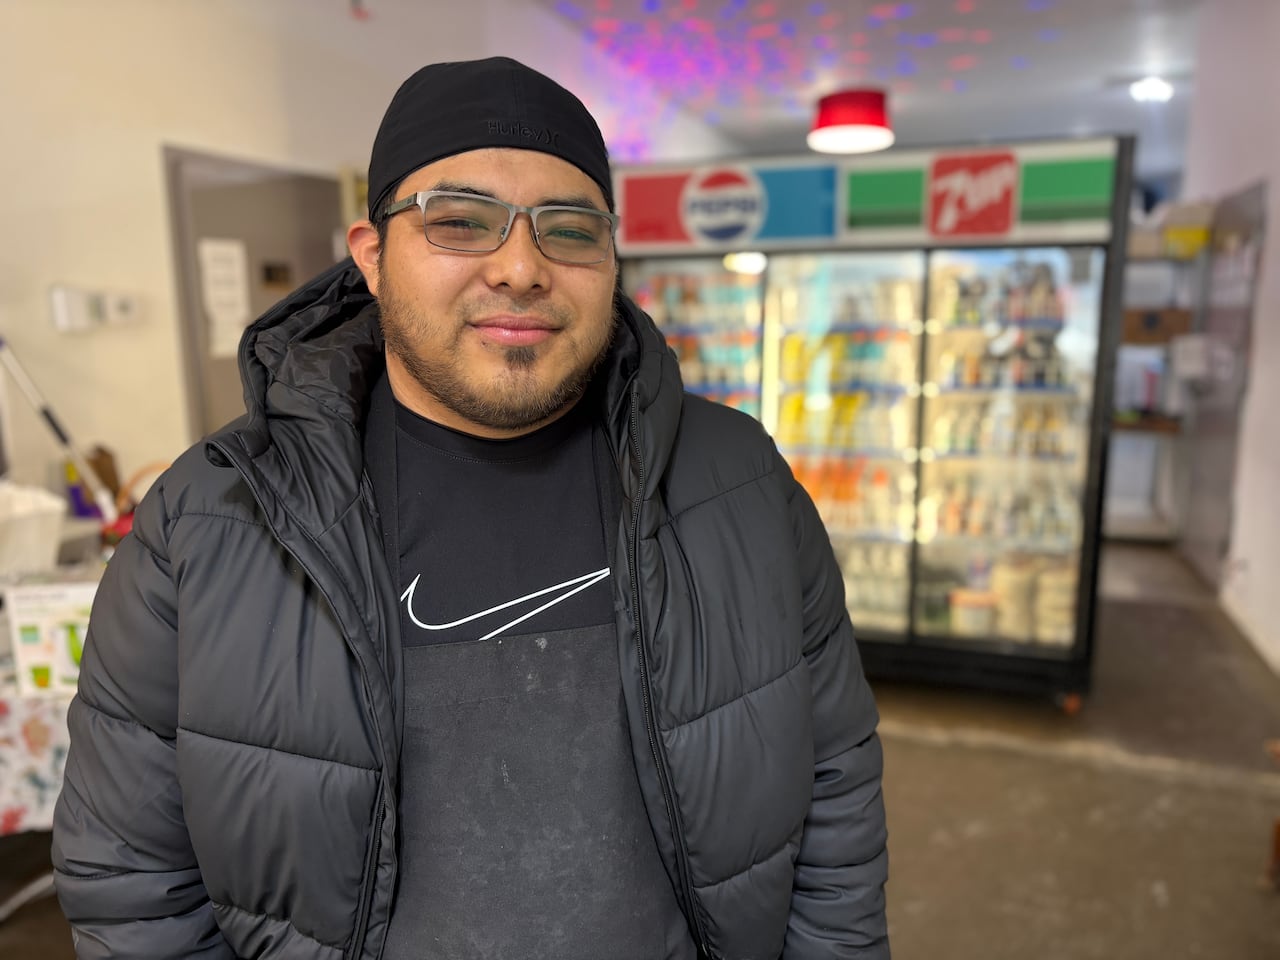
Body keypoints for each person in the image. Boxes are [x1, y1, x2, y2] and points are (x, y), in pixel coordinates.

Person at [51, 56, 889, 960]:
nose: (521, 267)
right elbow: (130, 874)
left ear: (611, 258)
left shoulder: (739, 486)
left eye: (568, 230)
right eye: (459, 222)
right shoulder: (209, 521)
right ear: (372, 257)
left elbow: (835, 796)